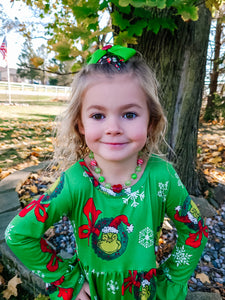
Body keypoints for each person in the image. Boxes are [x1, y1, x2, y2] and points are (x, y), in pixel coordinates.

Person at [5, 45, 208, 300]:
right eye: (98, 115)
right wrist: (67, 281)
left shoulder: (162, 178)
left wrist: (172, 279)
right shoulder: (75, 182)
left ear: (151, 121)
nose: (113, 127)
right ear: (80, 125)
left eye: (130, 114)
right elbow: (19, 234)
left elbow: (195, 230)